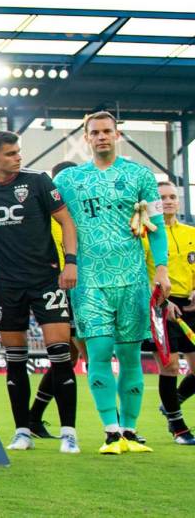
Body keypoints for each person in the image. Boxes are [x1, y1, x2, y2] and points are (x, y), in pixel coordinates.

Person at [54, 111, 169, 455]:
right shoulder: (69, 181)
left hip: (132, 279)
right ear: (85, 138)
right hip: (88, 281)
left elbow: (157, 226)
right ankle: (110, 430)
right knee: (100, 352)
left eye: (107, 131)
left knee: (131, 356)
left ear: (117, 135)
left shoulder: (141, 176)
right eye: (95, 132)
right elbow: (41, 209)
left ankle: (131, 431)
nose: (102, 136)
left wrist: (161, 269)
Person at [0, 130, 80, 453]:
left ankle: (69, 432)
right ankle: (22, 431)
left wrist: (70, 262)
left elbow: (66, 222)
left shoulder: (38, 181)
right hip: (7, 286)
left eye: (18, 152)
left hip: (47, 281)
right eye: (11, 153)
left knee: (60, 355)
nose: (18, 157)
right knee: (15, 360)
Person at [27, 160, 85, 438]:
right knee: (80, 354)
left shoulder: (79, 212)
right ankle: (118, 427)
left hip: (84, 286)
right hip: (61, 287)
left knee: (71, 357)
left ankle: (34, 417)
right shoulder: (45, 211)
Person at [143, 180, 195, 444]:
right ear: (154, 203)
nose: (169, 201)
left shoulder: (191, 232)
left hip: (189, 303)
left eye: (173, 196)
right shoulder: (146, 233)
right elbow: (141, 273)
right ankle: (178, 427)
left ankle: (171, 403)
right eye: (162, 197)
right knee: (170, 366)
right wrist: (162, 300)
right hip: (159, 305)